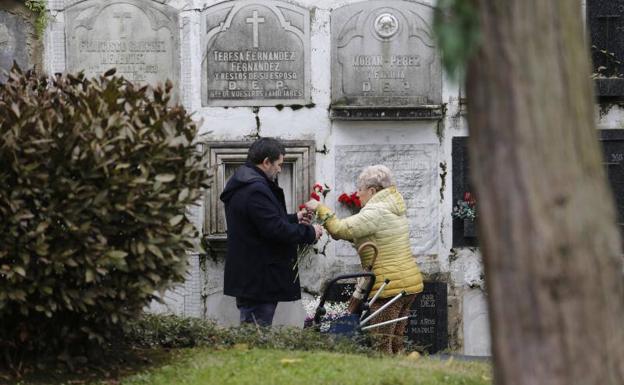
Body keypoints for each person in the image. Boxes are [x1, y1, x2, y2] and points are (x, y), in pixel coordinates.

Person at [305, 165, 423, 353]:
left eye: (359, 190)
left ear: (372, 191)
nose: (357, 195)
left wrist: (320, 208)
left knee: (382, 343)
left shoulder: (375, 211)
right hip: (407, 283)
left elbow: (340, 229)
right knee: (395, 340)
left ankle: (386, 378)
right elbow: (372, 236)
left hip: (389, 287)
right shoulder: (391, 206)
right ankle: (404, 373)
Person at [220, 137, 323, 327]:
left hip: (252, 275)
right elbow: (275, 230)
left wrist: (295, 218)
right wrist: (310, 232)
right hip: (259, 278)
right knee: (256, 334)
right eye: (278, 164)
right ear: (266, 162)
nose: (279, 169)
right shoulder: (256, 189)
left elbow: (262, 223)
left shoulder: (245, 183)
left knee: (254, 329)